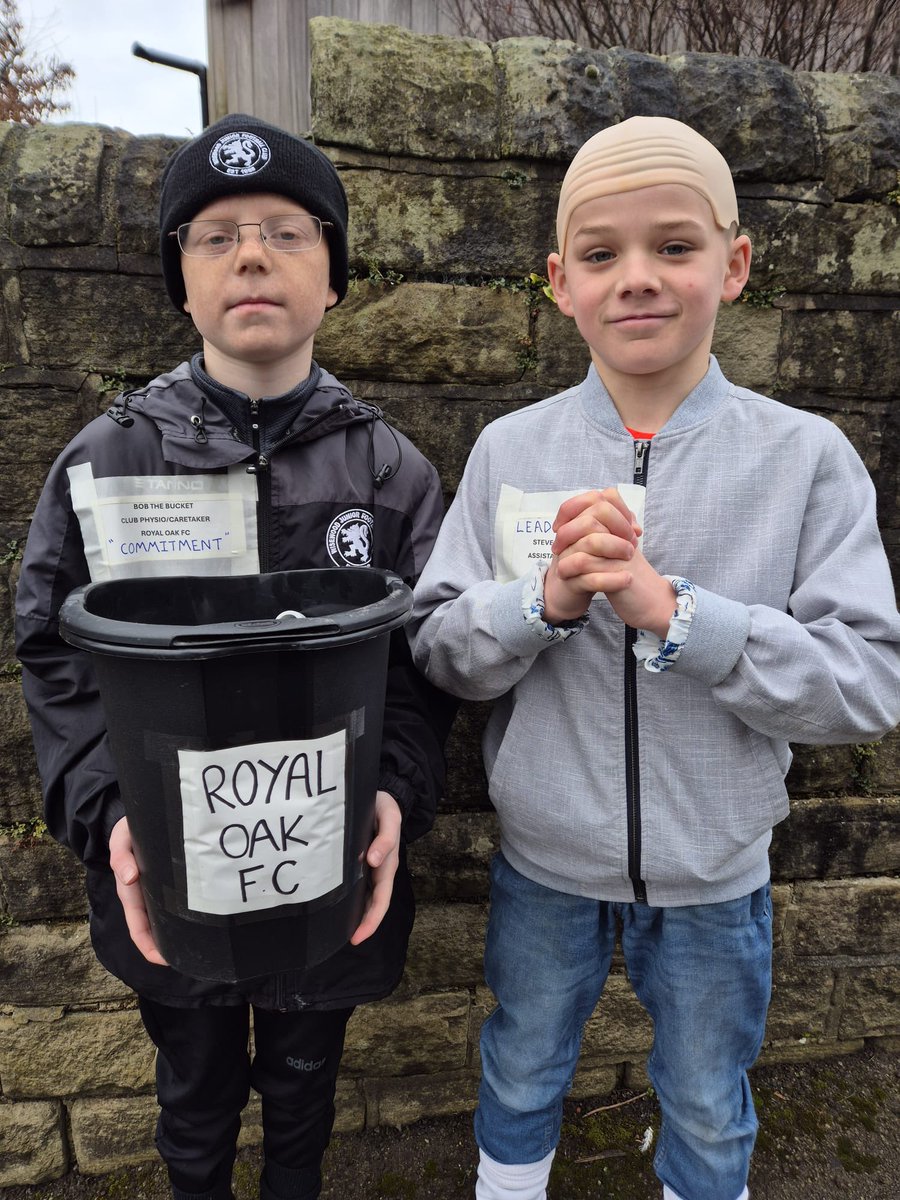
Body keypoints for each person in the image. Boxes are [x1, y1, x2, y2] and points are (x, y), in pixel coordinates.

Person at [407, 116, 900, 1200]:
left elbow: (865, 685)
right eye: (601, 254)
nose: (638, 278)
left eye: (674, 246)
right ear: (558, 282)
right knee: (523, 1063)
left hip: (718, 877)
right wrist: (539, 605)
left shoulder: (805, 458)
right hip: (543, 865)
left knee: (709, 1097)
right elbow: (439, 648)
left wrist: (679, 614)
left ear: (735, 266)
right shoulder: (509, 449)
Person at [16, 113, 453, 1200]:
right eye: (213, 236)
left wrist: (396, 789)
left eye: (286, 232)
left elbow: (425, 665)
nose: (250, 254)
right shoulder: (105, 462)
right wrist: (110, 813)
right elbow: (52, 652)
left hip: (331, 870)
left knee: (305, 1086)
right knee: (196, 1093)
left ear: (336, 277)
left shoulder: (395, 473)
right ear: (181, 282)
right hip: (165, 883)